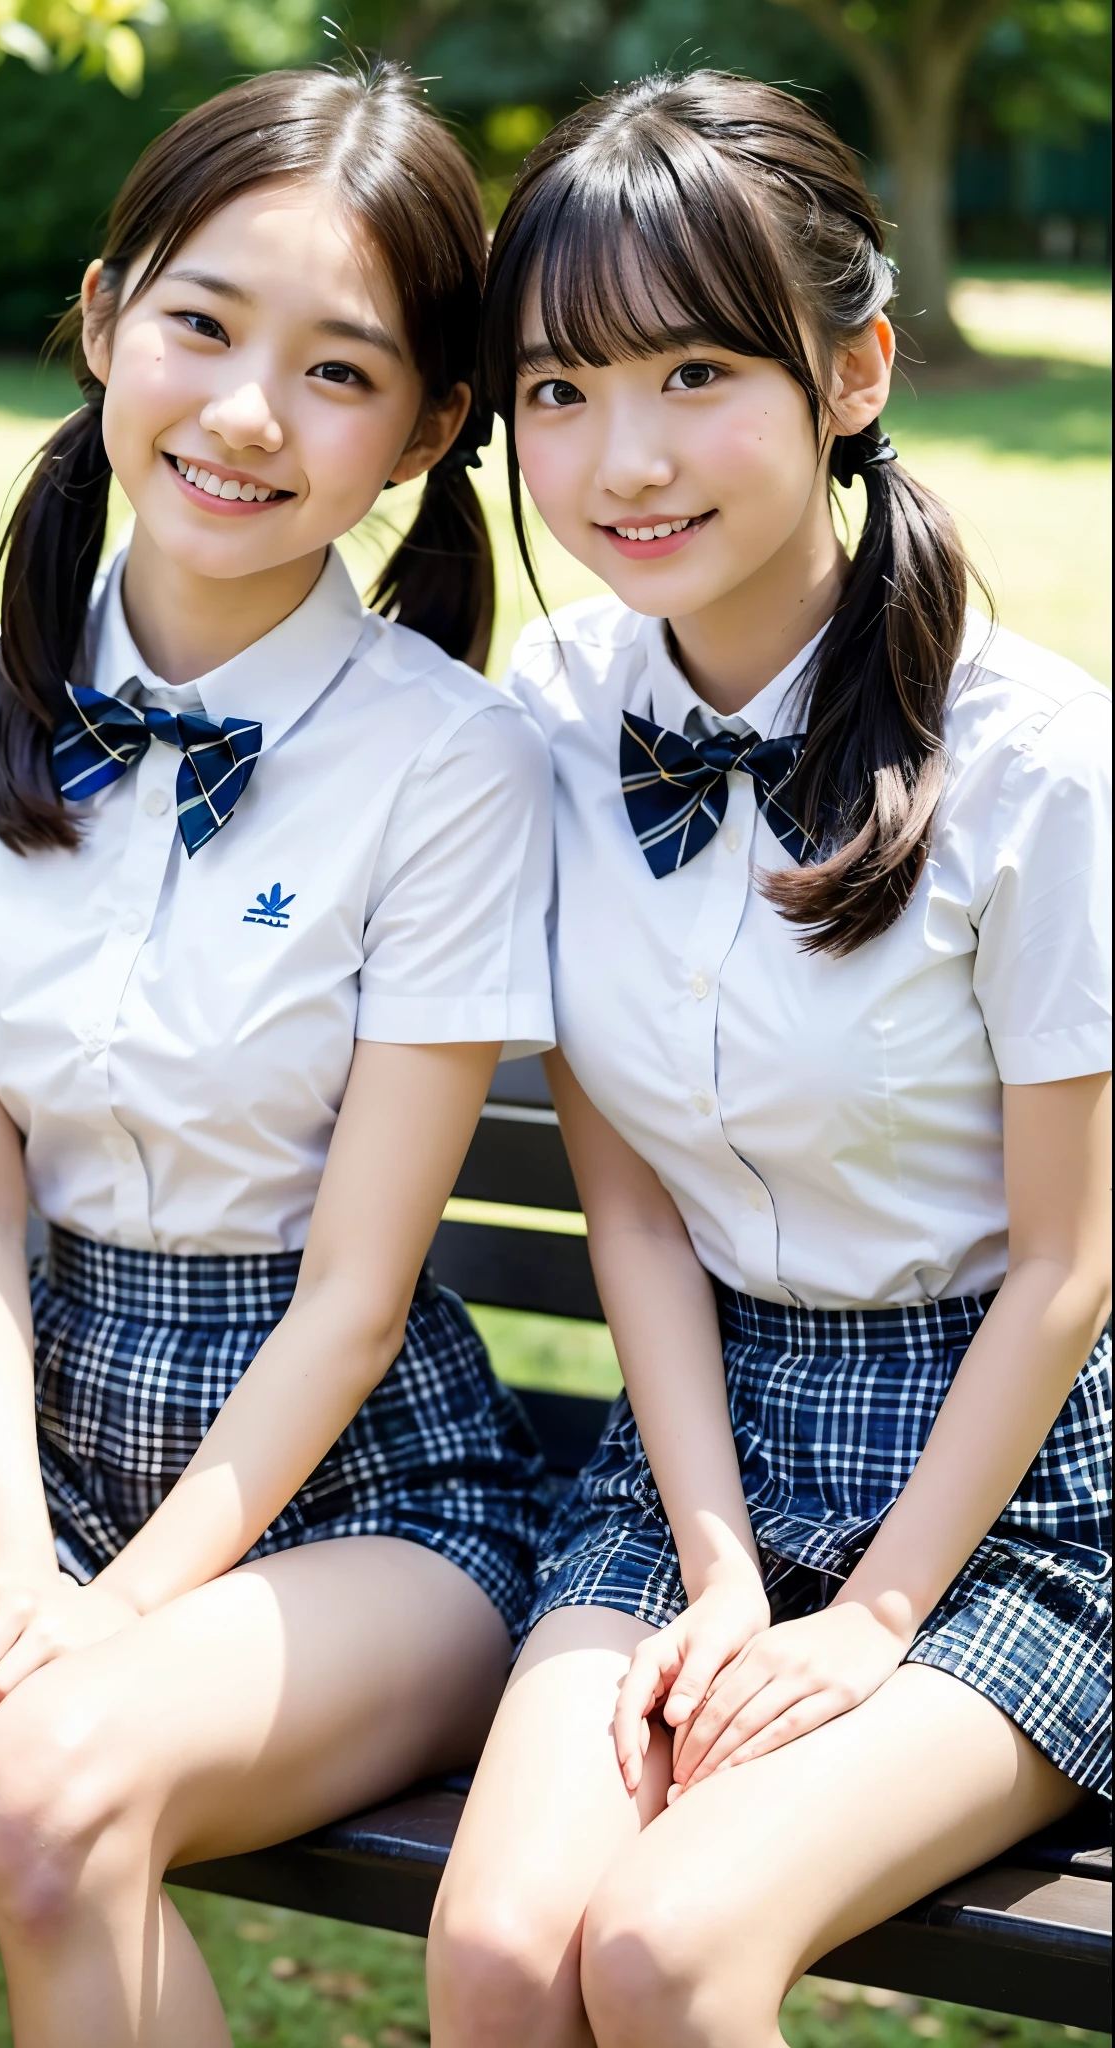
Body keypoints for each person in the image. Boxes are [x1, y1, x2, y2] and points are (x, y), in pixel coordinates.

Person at [0, 62, 556, 2048]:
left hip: (351, 1483)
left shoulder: (446, 764)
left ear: (424, 430)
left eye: (335, 370)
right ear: (105, 311)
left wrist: (100, 1622)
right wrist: (17, 1555)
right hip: (28, 1449)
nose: (239, 412)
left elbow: (359, 1295)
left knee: (48, 1791)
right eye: (201, 323)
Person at [428, 70, 1112, 2048]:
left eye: (695, 370)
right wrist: (715, 1563)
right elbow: (624, 1196)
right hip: (694, 1444)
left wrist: (876, 1617)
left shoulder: (1031, 762)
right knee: (494, 1955)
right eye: (554, 390)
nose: (618, 455)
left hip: (1024, 1488)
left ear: (853, 371)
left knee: (660, 1948)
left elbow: (1071, 1266)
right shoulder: (546, 720)